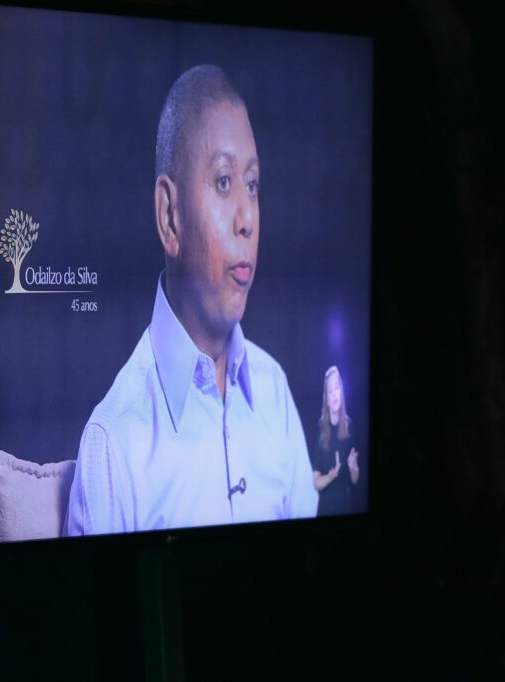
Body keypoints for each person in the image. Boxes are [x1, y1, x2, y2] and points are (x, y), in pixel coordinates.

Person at [64, 64, 317, 535]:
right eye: (223, 181)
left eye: (252, 185)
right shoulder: (114, 443)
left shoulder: (275, 394)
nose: (247, 218)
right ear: (170, 217)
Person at [312, 366, 360, 516]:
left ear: (341, 392)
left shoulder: (349, 425)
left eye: (336, 388)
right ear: (327, 400)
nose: (334, 394)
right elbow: (316, 483)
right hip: (325, 509)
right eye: (330, 390)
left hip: (345, 508)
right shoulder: (321, 427)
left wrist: (353, 467)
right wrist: (330, 476)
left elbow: (355, 480)